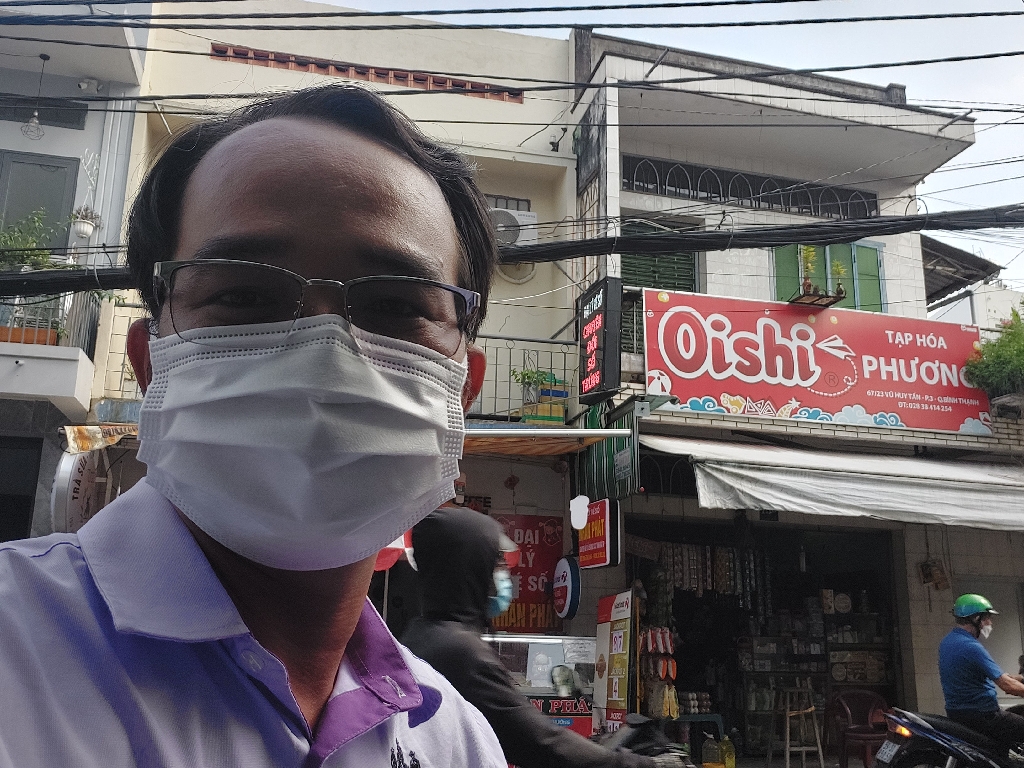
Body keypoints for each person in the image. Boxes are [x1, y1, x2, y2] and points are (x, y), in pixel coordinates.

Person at [0, 84, 506, 767]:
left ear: (462, 391)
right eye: (244, 294)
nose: (324, 358)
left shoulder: (456, 742)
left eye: (394, 305)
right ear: (151, 365)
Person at [402, 506, 687, 768]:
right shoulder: (461, 653)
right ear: (472, 568)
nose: (504, 574)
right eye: (497, 563)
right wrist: (644, 765)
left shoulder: (419, 635)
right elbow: (540, 742)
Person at [939, 594, 1024, 757]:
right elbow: (1006, 685)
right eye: (987, 618)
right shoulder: (971, 646)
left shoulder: (948, 641)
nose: (990, 623)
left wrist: (1019, 679)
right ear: (975, 618)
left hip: (958, 713)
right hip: (982, 715)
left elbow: (980, 674)